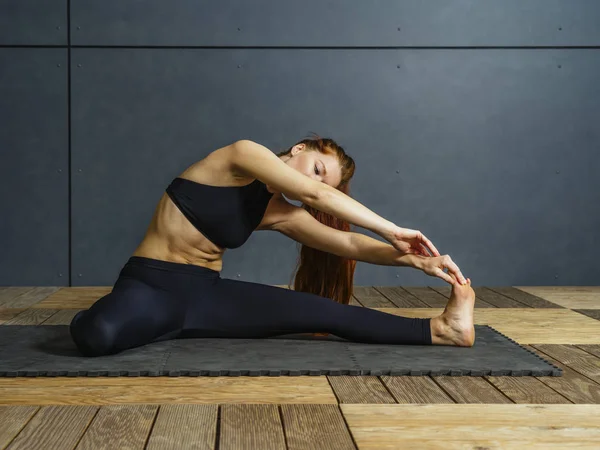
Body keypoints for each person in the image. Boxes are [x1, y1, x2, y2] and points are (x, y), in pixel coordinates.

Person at [69, 136, 475, 357]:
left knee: (328, 314)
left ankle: (443, 331)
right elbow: (315, 199)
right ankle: (123, 317)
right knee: (96, 336)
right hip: (150, 286)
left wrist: (418, 262)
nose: (313, 185)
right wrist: (392, 229)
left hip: (208, 297)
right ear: (299, 148)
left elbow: (348, 242)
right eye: (316, 170)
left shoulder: (277, 211)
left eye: (322, 183)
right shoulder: (240, 156)